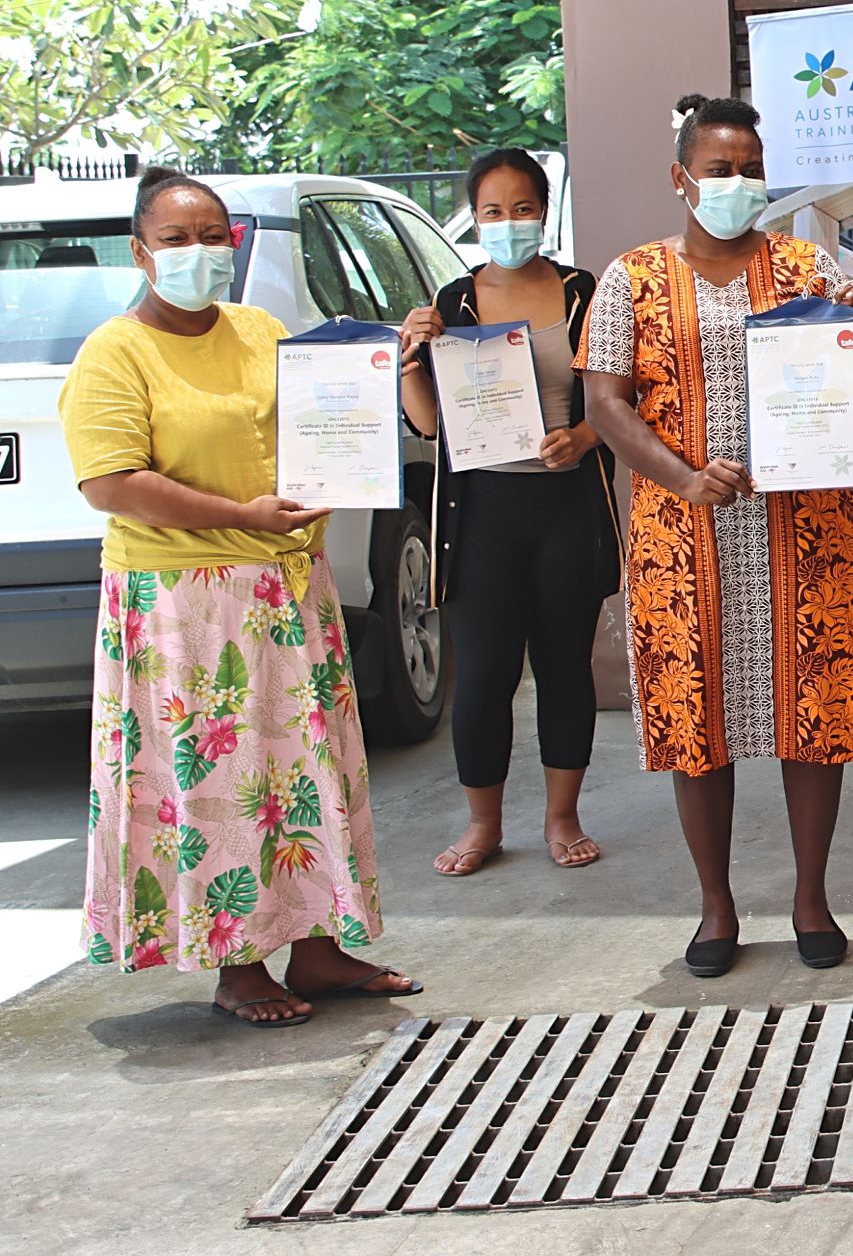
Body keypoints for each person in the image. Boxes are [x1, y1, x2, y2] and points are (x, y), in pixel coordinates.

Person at [63, 167, 418, 1026]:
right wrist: (241, 516)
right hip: (182, 603)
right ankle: (239, 962)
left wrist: (373, 399)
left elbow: (314, 426)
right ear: (141, 252)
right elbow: (112, 482)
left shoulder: (261, 329)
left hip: (285, 585)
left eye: (214, 235)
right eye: (177, 239)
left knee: (300, 770)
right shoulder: (116, 350)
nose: (200, 252)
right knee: (216, 779)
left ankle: (321, 948)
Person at [579, 94, 853, 978]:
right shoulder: (630, 277)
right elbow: (603, 403)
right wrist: (682, 475)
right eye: (718, 169)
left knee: (815, 710)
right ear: (681, 177)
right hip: (684, 538)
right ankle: (716, 904)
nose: (736, 183)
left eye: (749, 167)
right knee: (699, 721)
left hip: (805, 531)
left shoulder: (810, 267)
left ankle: (810, 896)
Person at [397, 148, 620, 876]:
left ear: (544, 210)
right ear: (475, 218)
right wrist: (406, 361)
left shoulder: (584, 292)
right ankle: (481, 823)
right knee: (486, 672)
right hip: (481, 509)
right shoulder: (453, 301)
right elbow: (429, 424)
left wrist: (584, 436)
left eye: (522, 208)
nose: (508, 223)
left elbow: (623, 398)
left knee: (564, 667)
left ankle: (563, 817)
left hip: (566, 505)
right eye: (492, 211)